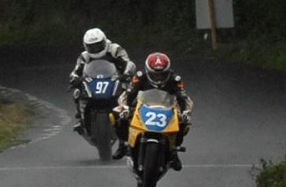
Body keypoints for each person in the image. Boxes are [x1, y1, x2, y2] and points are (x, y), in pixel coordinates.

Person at [113, 52, 193, 170]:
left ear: (168, 71)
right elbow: (129, 93)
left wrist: (186, 112)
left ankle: (174, 151)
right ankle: (123, 145)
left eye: (162, 75)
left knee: (183, 122)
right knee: (117, 115)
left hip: (167, 107)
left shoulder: (175, 79)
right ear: (148, 70)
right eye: (155, 75)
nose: (159, 78)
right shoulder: (140, 76)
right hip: (142, 105)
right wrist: (125, 108)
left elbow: (183, 97)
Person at [68, 28, 136, 156]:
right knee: (76, 92)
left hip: (116, 79)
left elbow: (129, 63)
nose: (95, 49)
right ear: (85, 46)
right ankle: (80, 117)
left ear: (104, 41)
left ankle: (129, 126)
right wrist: (74, 78)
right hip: (93, 81)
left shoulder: (115, 49)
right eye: (91, 47)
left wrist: (127, 74)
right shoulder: (84, 56)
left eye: (98, 45)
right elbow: (76, 70)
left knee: (130, 93)